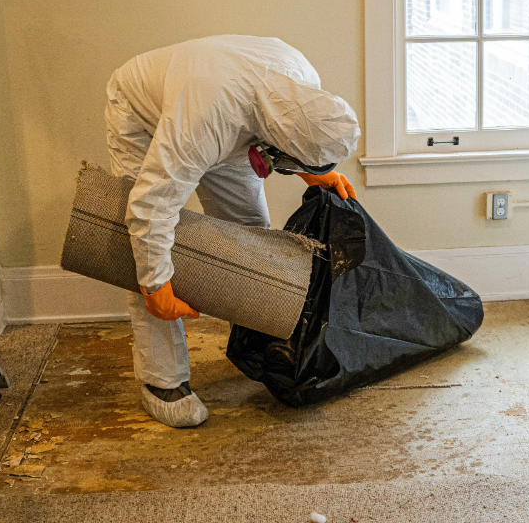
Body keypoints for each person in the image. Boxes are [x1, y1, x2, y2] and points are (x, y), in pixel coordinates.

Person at [105, 34, 360, 427]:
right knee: (146, 248)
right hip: (142, 111)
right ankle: (162, 381)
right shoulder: (203, 123)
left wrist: (316, 172)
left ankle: (259, 348)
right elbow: (150, 209)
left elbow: (299, 124)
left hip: (233, 116)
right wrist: (156, 287)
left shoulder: (302, 82)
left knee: (252, 236)